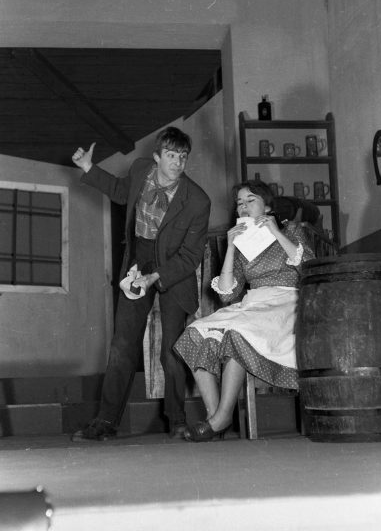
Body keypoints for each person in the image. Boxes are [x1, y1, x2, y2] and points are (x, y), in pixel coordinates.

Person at [71, 127, 211, 440]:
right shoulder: (140, 170)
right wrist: (88, 167)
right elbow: (122, 192)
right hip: (139, 259)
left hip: (173, 269)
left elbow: (190, 257)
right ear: (157, 157)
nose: (177, 163)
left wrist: (156, 276)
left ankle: (177, 421)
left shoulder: (198, 201)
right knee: (123, 344)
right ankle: (106, 421)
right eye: (171, 155)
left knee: (171, 349)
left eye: (183, 157)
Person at [174, 179, 315, 442]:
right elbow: (227, 294)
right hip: (253, 304)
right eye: (239, 203)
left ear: (268, 206)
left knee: (237, 332)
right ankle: (216, 416)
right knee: (195, 332)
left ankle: (220, 418)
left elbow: (308, 265)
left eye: (251, 200)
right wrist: (231, 247)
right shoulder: (242, 243)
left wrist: (276, 232)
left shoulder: (291, 229)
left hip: (286, 303)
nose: (243, 207)